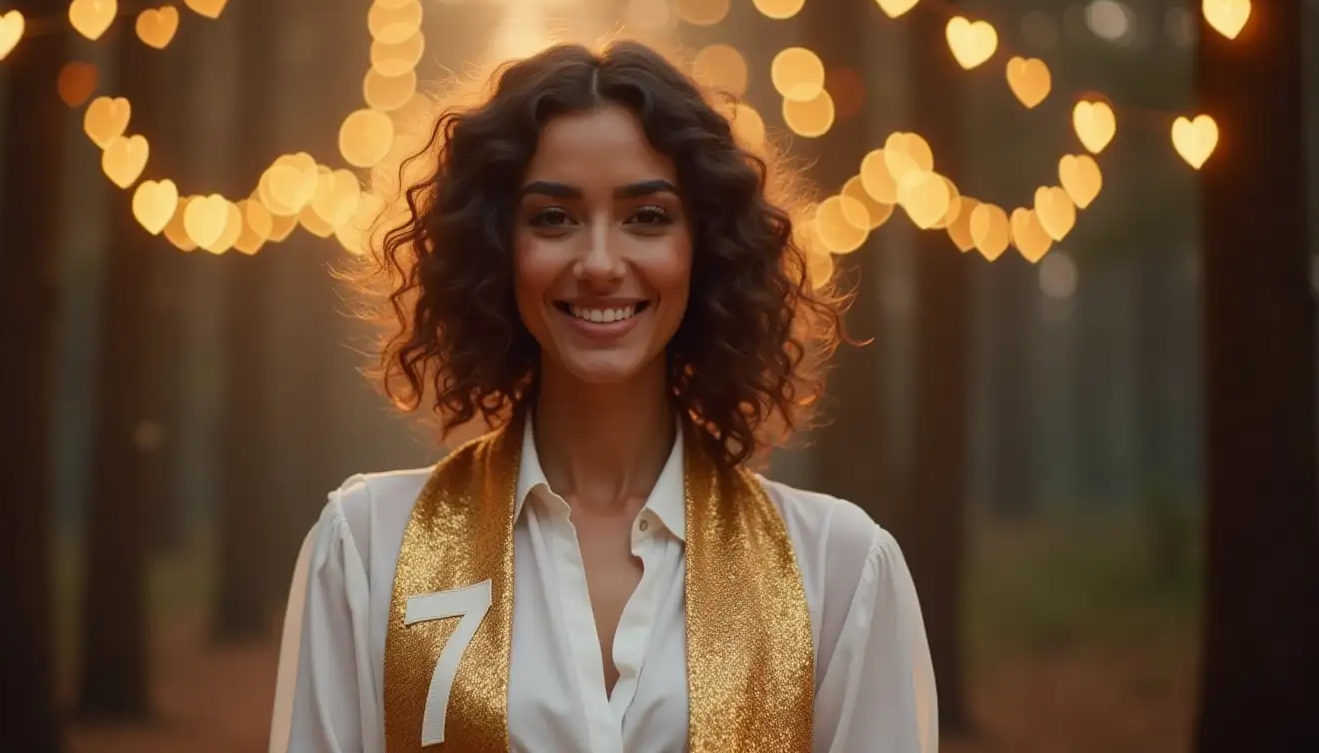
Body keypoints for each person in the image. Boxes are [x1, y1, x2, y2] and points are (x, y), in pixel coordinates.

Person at [269, 40, 937, 753]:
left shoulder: (837, 568)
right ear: (498, 247)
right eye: (553, 219)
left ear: (704, 247)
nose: (598, 263)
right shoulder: (369, 547)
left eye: (647, 217)